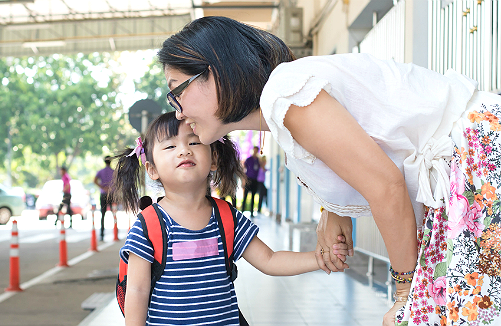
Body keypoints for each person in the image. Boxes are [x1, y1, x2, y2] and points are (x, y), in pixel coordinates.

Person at [157, 16, 501, 326]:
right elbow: (358, 158)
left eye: (177, 91)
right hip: (461, 171)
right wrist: (332, 209)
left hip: (475, 159)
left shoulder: (284, 95)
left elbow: (385, 186)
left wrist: (404, 292)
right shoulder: (284, 104)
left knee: (436, 313)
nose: (177, 112)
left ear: (217, 71)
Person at [112, 112, 349, 326]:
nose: (184, 150)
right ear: (152, 169)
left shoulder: (227, 217)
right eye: (170, 146)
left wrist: (319, 260)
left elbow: (270, 260)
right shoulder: (149, 224)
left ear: (214, 159)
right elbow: (137, 289)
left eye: (194, 142)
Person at [94, 156, 114, 241]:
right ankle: (115, 232)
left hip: (103, 195)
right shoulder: (114, 172)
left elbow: (95, 181)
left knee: (103, 214)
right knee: (114, 213)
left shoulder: (100, 172)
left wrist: (102, 187)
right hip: (112, 194)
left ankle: (102, 234)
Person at [241, 146, 259, 216]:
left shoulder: (258, 160)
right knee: (245, 196)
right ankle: (242, 211)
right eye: (254, 150)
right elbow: (244, 169)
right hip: (248, 179)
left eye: (256, 151)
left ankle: (252, 212)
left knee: (253, 196)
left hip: (255, 180)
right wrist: (244, 180)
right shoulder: (249, 159)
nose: (255, 152)